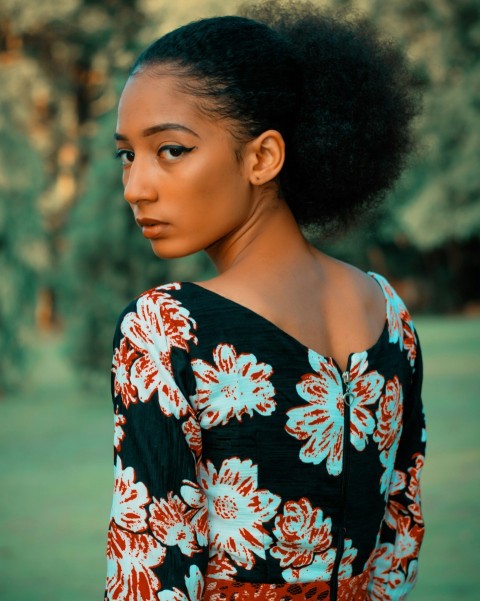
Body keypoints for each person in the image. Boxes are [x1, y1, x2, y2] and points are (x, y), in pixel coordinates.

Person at [105, 2, 426, 600]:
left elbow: (150, 571)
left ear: (262, 158)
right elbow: (398, 540)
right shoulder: (388, 312)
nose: (135, 187)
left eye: (170, 150)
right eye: (127, 154)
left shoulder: (168, 328)